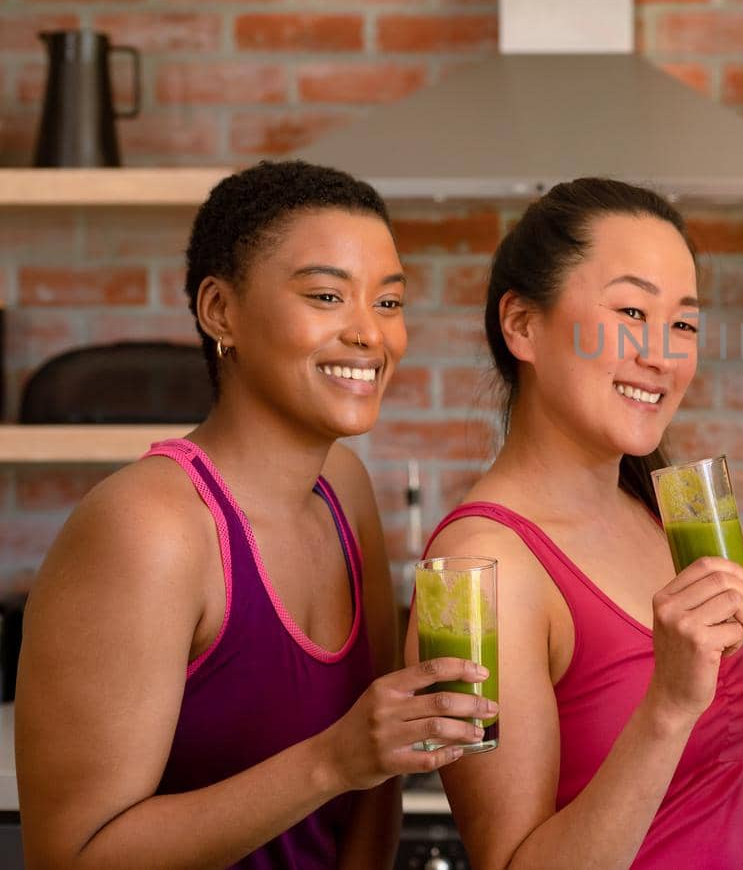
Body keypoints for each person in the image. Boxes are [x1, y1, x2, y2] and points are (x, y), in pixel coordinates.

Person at [16, 160, 492, 869]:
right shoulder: (149, 528)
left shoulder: (345, 488)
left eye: (389, 302)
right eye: (328, 295)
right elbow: (72, 855)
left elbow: (371, 793)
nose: (370, 334)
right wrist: (333, 758)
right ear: (220, 312)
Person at [405, 178, 743, 869]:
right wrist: (668, 705)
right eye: (630, 312)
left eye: (683, 323)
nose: (663, 354)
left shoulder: (671, 512)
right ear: (522, 324)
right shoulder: (477, 573)